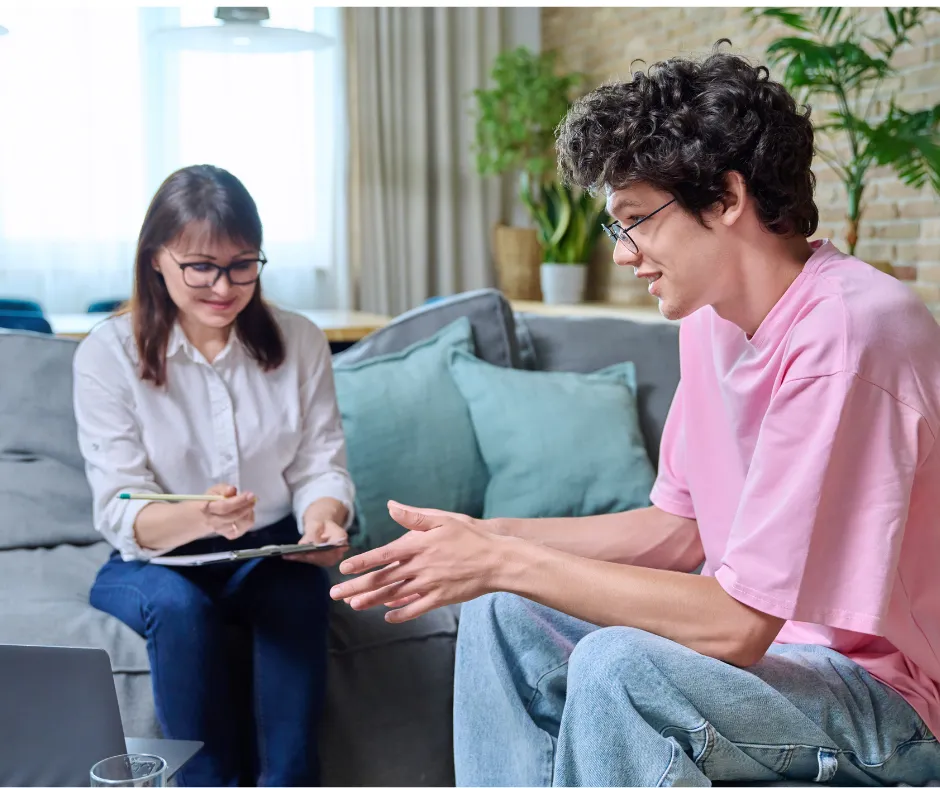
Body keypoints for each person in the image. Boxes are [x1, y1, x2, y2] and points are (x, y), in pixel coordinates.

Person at [330, 47, 940, 786]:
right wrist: (485, 540)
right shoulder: (711, 319)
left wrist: (505, 559)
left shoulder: (848, 333)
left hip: (888, 698)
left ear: (727, 197)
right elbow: (679, 531)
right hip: (784, 669)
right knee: (502, 611)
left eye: (635, 221)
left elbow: (739, 626)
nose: (624, 255)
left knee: (619, 666)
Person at [73, 164, 355, 787]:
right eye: (200, 266)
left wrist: (322, 520)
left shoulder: (300, 341)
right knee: (179, 610)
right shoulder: (108, 353)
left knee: (298, 593)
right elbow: (120, 504)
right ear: (157, 258)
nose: (224, 286)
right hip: (156, 561)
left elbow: (319, 464)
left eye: (242, 264)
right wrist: (200, 514)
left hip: (267, 550)